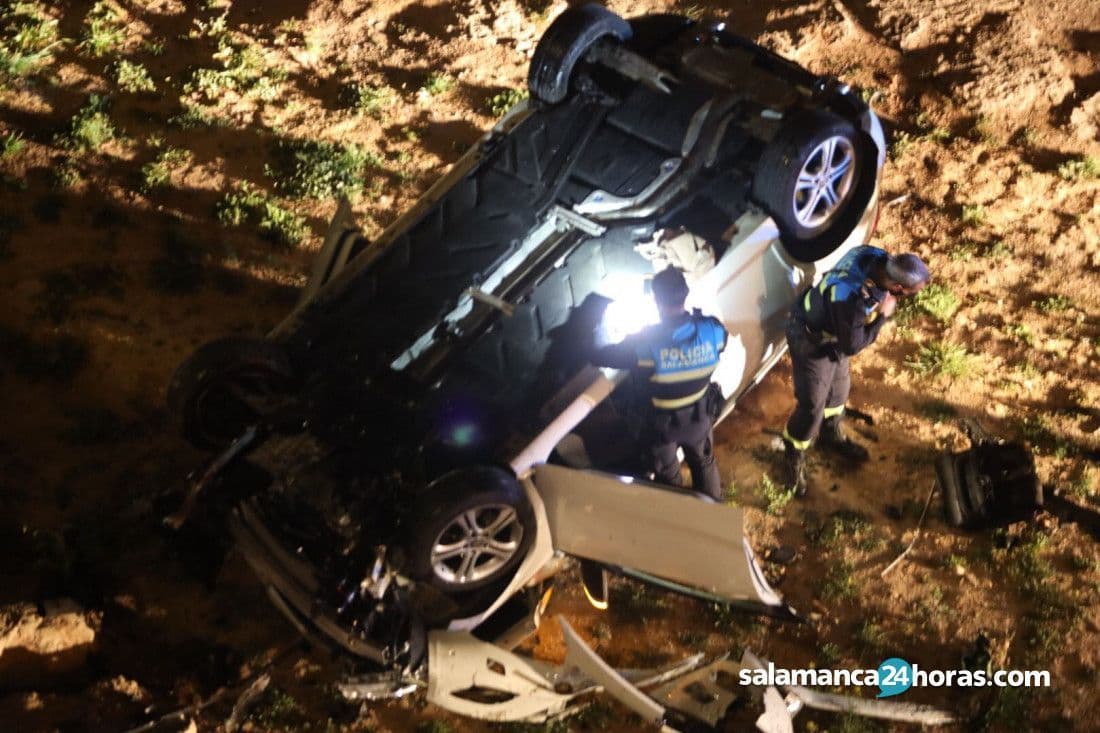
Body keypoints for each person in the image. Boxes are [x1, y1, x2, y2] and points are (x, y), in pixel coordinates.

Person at [781, 246, 930, 496]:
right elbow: (853, 344)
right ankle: (793, 452)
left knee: (839, 392)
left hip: (835, 333)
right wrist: (883, 317)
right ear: (898, 289)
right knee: (812, 406)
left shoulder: (874, 255)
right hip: (810, 339)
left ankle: (831, 435)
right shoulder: (851, 298)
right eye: (910, 294)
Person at [592, 266, 728, 500]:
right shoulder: (712, 330)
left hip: (662, 427)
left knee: (668, 475)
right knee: (704, 463)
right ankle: (712, 512)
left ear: (655, 300)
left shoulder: (647, 343)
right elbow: (722, 341)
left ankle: (676, 514)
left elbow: (606, 356)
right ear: (685, 295)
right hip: (699, 418)